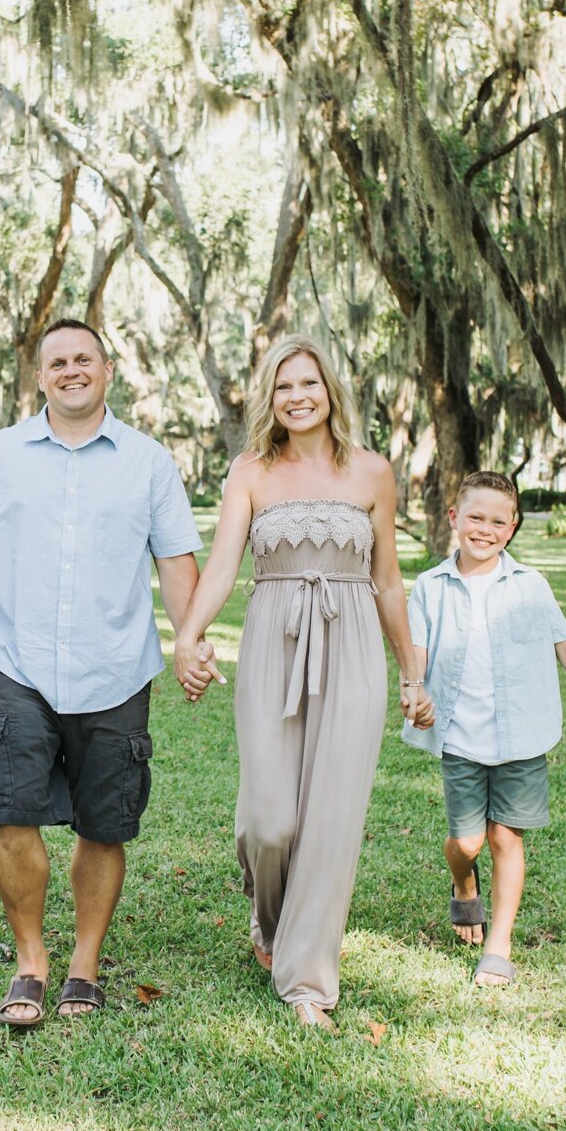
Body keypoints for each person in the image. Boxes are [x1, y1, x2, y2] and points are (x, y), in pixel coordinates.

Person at [0, 319, 203, 1027]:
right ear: (41, 376)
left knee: (103, 823)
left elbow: (175, 562)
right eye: (58, 361)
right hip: (18, 665)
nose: (71, 369)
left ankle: (84, 962)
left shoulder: (148, 462)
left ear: (107, 370)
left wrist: (189, 638)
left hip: (115, 669)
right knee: (8, 812)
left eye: (84, 358)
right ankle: (31, 960)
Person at [170, 336, 429, 1032]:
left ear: (330, 389)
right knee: (270, 817)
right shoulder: (250, 470)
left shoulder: (372, 472)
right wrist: (189, 636)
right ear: (269, 398)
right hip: (273, 641)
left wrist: (411, 668)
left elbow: (387, 578)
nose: (297, 396)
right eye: (283, 386)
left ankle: (307, 976)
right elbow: (224, 563)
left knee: (333, 818)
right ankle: (267, 914)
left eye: (308, 382)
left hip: (351, 645)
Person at [401, 470, 566, 988]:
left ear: (511, 528)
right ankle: (464, 886)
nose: (484, 530)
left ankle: (499, 945)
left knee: (505, 836)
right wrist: (414, 688)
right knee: (466, 843)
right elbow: (416, 648)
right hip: (459, 735)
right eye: (475, 518)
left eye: (497, 521)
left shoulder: (530, 585)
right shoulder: (430, 586)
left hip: (521, 736)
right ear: (454, 519)